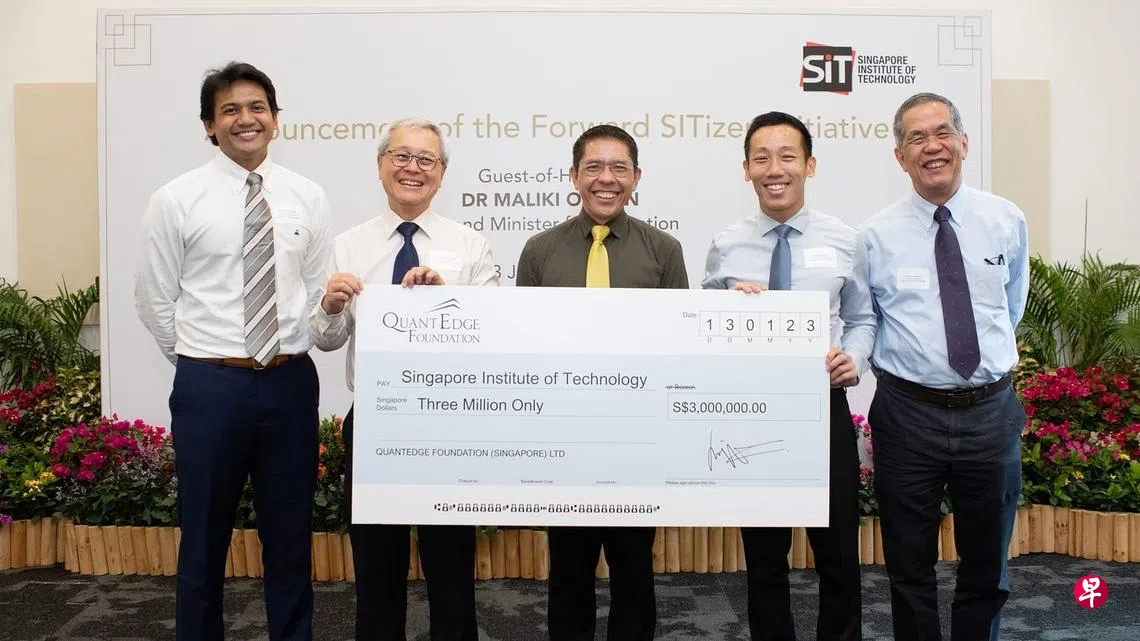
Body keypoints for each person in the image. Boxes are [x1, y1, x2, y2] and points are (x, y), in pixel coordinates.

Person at [134, 61, 332, 641]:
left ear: (275, 119)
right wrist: (202, 363)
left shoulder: (307, 196)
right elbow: (154, 299)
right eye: (230, 110)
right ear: (209, 125)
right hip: (211, 388)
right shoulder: (176, 199)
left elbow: (317, 294)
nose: (246, 119)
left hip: (290, 382)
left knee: (290, 539)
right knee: (203, 539)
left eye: (257, 107)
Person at [309, 118, 497, 641]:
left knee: (452, 567)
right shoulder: (347, 246)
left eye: (426, 159)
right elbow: (326, 340)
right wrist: (329, 305)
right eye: (401, 156)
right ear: (380, 165)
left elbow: (490, 337)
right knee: (377, 567)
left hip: (449, 422)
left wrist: (446, 301)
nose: (413, 168)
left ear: (441, 174)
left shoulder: (470, 245)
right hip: (375, 421)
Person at [859, 92, 1029, 641]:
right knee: (908, 566)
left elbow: (1011, 305)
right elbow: (866, 319)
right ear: (899, 156)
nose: (931, 146)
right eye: (916, 137)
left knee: (988, 563)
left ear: (963, 142)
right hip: (908, 415)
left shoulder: (1005, 219)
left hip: (989, 413)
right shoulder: (875, 235)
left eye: (942, 133)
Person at [702, 111, 872, 641]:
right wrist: (727, 309)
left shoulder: (846, 240)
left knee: (838, 553)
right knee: (764, 559)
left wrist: (854, 359)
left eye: (787, 157)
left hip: (824, 409)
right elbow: (701, 325)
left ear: (810, 165)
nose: (774, 169)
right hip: (755, 413)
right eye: (762, 158)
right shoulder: (726, 244)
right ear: (747, 169)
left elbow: (863, 318)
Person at [516, 124, 687, 641]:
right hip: (563, 439)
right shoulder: (539, 251)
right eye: (593, 167)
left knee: (634, 568)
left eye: (619, 168)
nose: (605, 179)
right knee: (569, 569)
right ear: (574, 176)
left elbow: (679, 348)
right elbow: (522, 348)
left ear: (636, 177)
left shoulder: (664, 250)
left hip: (636, 438)